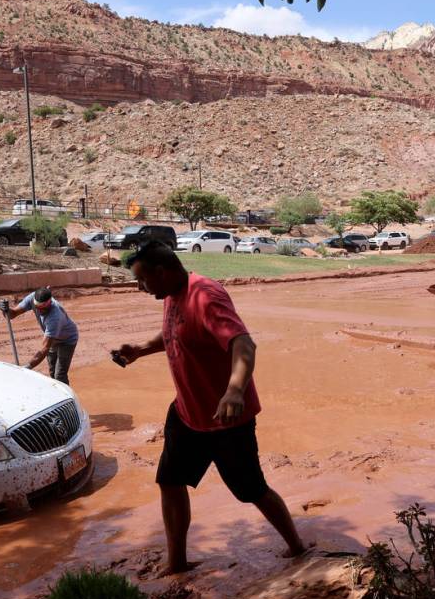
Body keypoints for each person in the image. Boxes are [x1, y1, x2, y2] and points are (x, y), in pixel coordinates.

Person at [113, 242, 307, 575]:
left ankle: (297, 547)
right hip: (187, 413)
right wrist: (141, 349)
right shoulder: (172, 295)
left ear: (162, 272)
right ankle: (177, 563)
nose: (141, 288)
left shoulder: (206, 296)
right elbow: (176, 332)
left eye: (143, 280)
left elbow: (243, 343)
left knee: (251, 491)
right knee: (170, 482)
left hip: (226, 420)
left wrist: (234, 391)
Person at [0, 287, 78, 385]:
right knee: (52, 371)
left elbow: (44, 348)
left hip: (67, 340)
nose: (39, 311)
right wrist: (5, 309)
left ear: (49, 304)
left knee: (60, 375)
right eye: (37, 307)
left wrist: (27, 367)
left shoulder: (55, 316)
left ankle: (68, 398)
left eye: (43, 308)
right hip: (53, 340)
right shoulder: (33, 298)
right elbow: (13, 314)